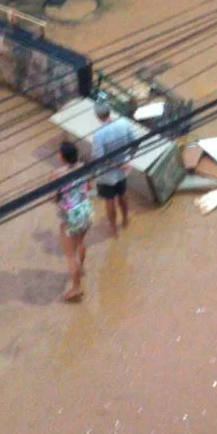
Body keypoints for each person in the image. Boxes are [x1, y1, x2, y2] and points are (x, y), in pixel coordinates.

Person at [91, 99, 139, 238]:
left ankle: (113, 227)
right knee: (123, 196)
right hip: (123, 171)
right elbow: (136, 143)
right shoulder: (124, 123)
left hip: (107, 175)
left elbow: (99, 158)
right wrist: (129, 159)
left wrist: (115, 164)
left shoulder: (99, 135)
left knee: (109, 200)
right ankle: (125, 220)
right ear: (109, 111)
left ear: (97, 116)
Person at [52, 140, 93, 302]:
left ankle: (76, 288)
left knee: (70, 255)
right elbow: (89, 187)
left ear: (63, 157)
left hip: (71, 216)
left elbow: (55, 197)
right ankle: (80, 269)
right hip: (86, 210)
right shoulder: (84, 167)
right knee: (81, 242)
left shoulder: (57, 174)